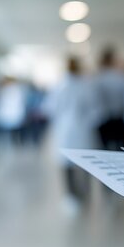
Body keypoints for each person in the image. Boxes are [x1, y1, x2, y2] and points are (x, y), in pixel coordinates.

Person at [49, 56, 98, 208]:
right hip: (83, 131)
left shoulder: (59, 86)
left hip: (65, 130)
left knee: (67, 165)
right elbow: (96, 110)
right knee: (85, 163)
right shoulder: (86, 85)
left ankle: (71, 197)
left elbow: (51, 109)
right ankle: (86, 194)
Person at [94, 46, 124, 151]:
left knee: (104, 149)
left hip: (104, 119)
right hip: (119, 117)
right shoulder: (120, 77)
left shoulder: (97, 77)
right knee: (120, 149)